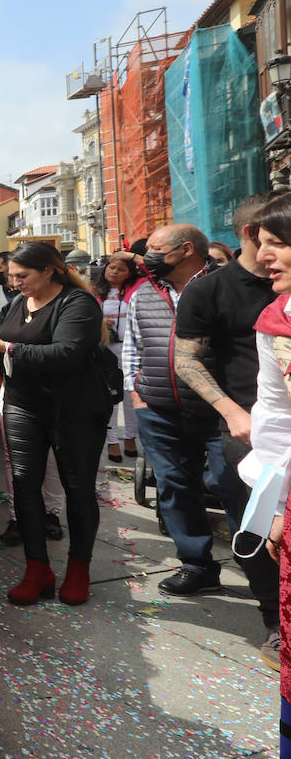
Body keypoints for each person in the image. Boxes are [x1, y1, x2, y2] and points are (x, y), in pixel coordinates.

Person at [0, 241, 112, 607]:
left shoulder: (78, 304)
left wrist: (4, 347)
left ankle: (79, 568)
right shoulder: (17, 303)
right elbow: (5, 359)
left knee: (77, 489)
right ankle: (37, 567)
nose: (14, 283)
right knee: (23, 485)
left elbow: (65, 353)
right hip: (23, 405)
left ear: (50, 270)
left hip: (74, 410)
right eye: (11, 276)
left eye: (22, 276)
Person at [172, 194, 280, 666]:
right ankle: (277, 622)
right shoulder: (210, 290)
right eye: (273, 234)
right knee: (258, 532)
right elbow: (185, 359)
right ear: (253, 233)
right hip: (248, 435)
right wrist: (233, 413)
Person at [122, 224, 234, 598]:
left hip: (223, 412)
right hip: (160, 409)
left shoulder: (227, 287)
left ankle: (259, 565)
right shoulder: (143, 294)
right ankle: (196, 564)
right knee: (173, 486)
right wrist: (137, 395)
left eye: (154, 248)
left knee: (231, 486)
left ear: (186, 250)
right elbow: (132, 347)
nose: (146, 255)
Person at [241, 197, 291, 690]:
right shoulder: (275, 320)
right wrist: (277, 506)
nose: (262, 258)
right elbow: (275, 419)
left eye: (277, 244)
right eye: (262, 244)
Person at [96, 254, 141, 462]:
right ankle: (112, 441)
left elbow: (150, 271)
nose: (114, 271)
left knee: (132, 397)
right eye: (111, 267)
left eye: (121, 269)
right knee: (111, 397)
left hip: (132, 350)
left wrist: (130, 256)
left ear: (130, 273)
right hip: (106, 352)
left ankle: (130, 437)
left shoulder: (138, 288)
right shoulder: (95, 292)